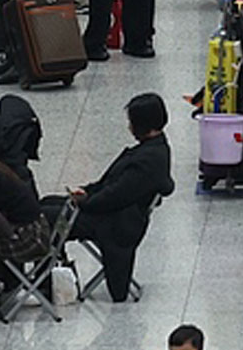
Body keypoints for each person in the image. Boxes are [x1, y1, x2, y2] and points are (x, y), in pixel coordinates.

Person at [69, 90, 175, 306]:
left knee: (46, 216)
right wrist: (88, 191)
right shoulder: (152, 151)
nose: (129, 127)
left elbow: (115, 195)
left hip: (114, 223)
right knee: (50, 205)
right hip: (112, 213)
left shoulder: (146, 161)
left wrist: (86, 201)